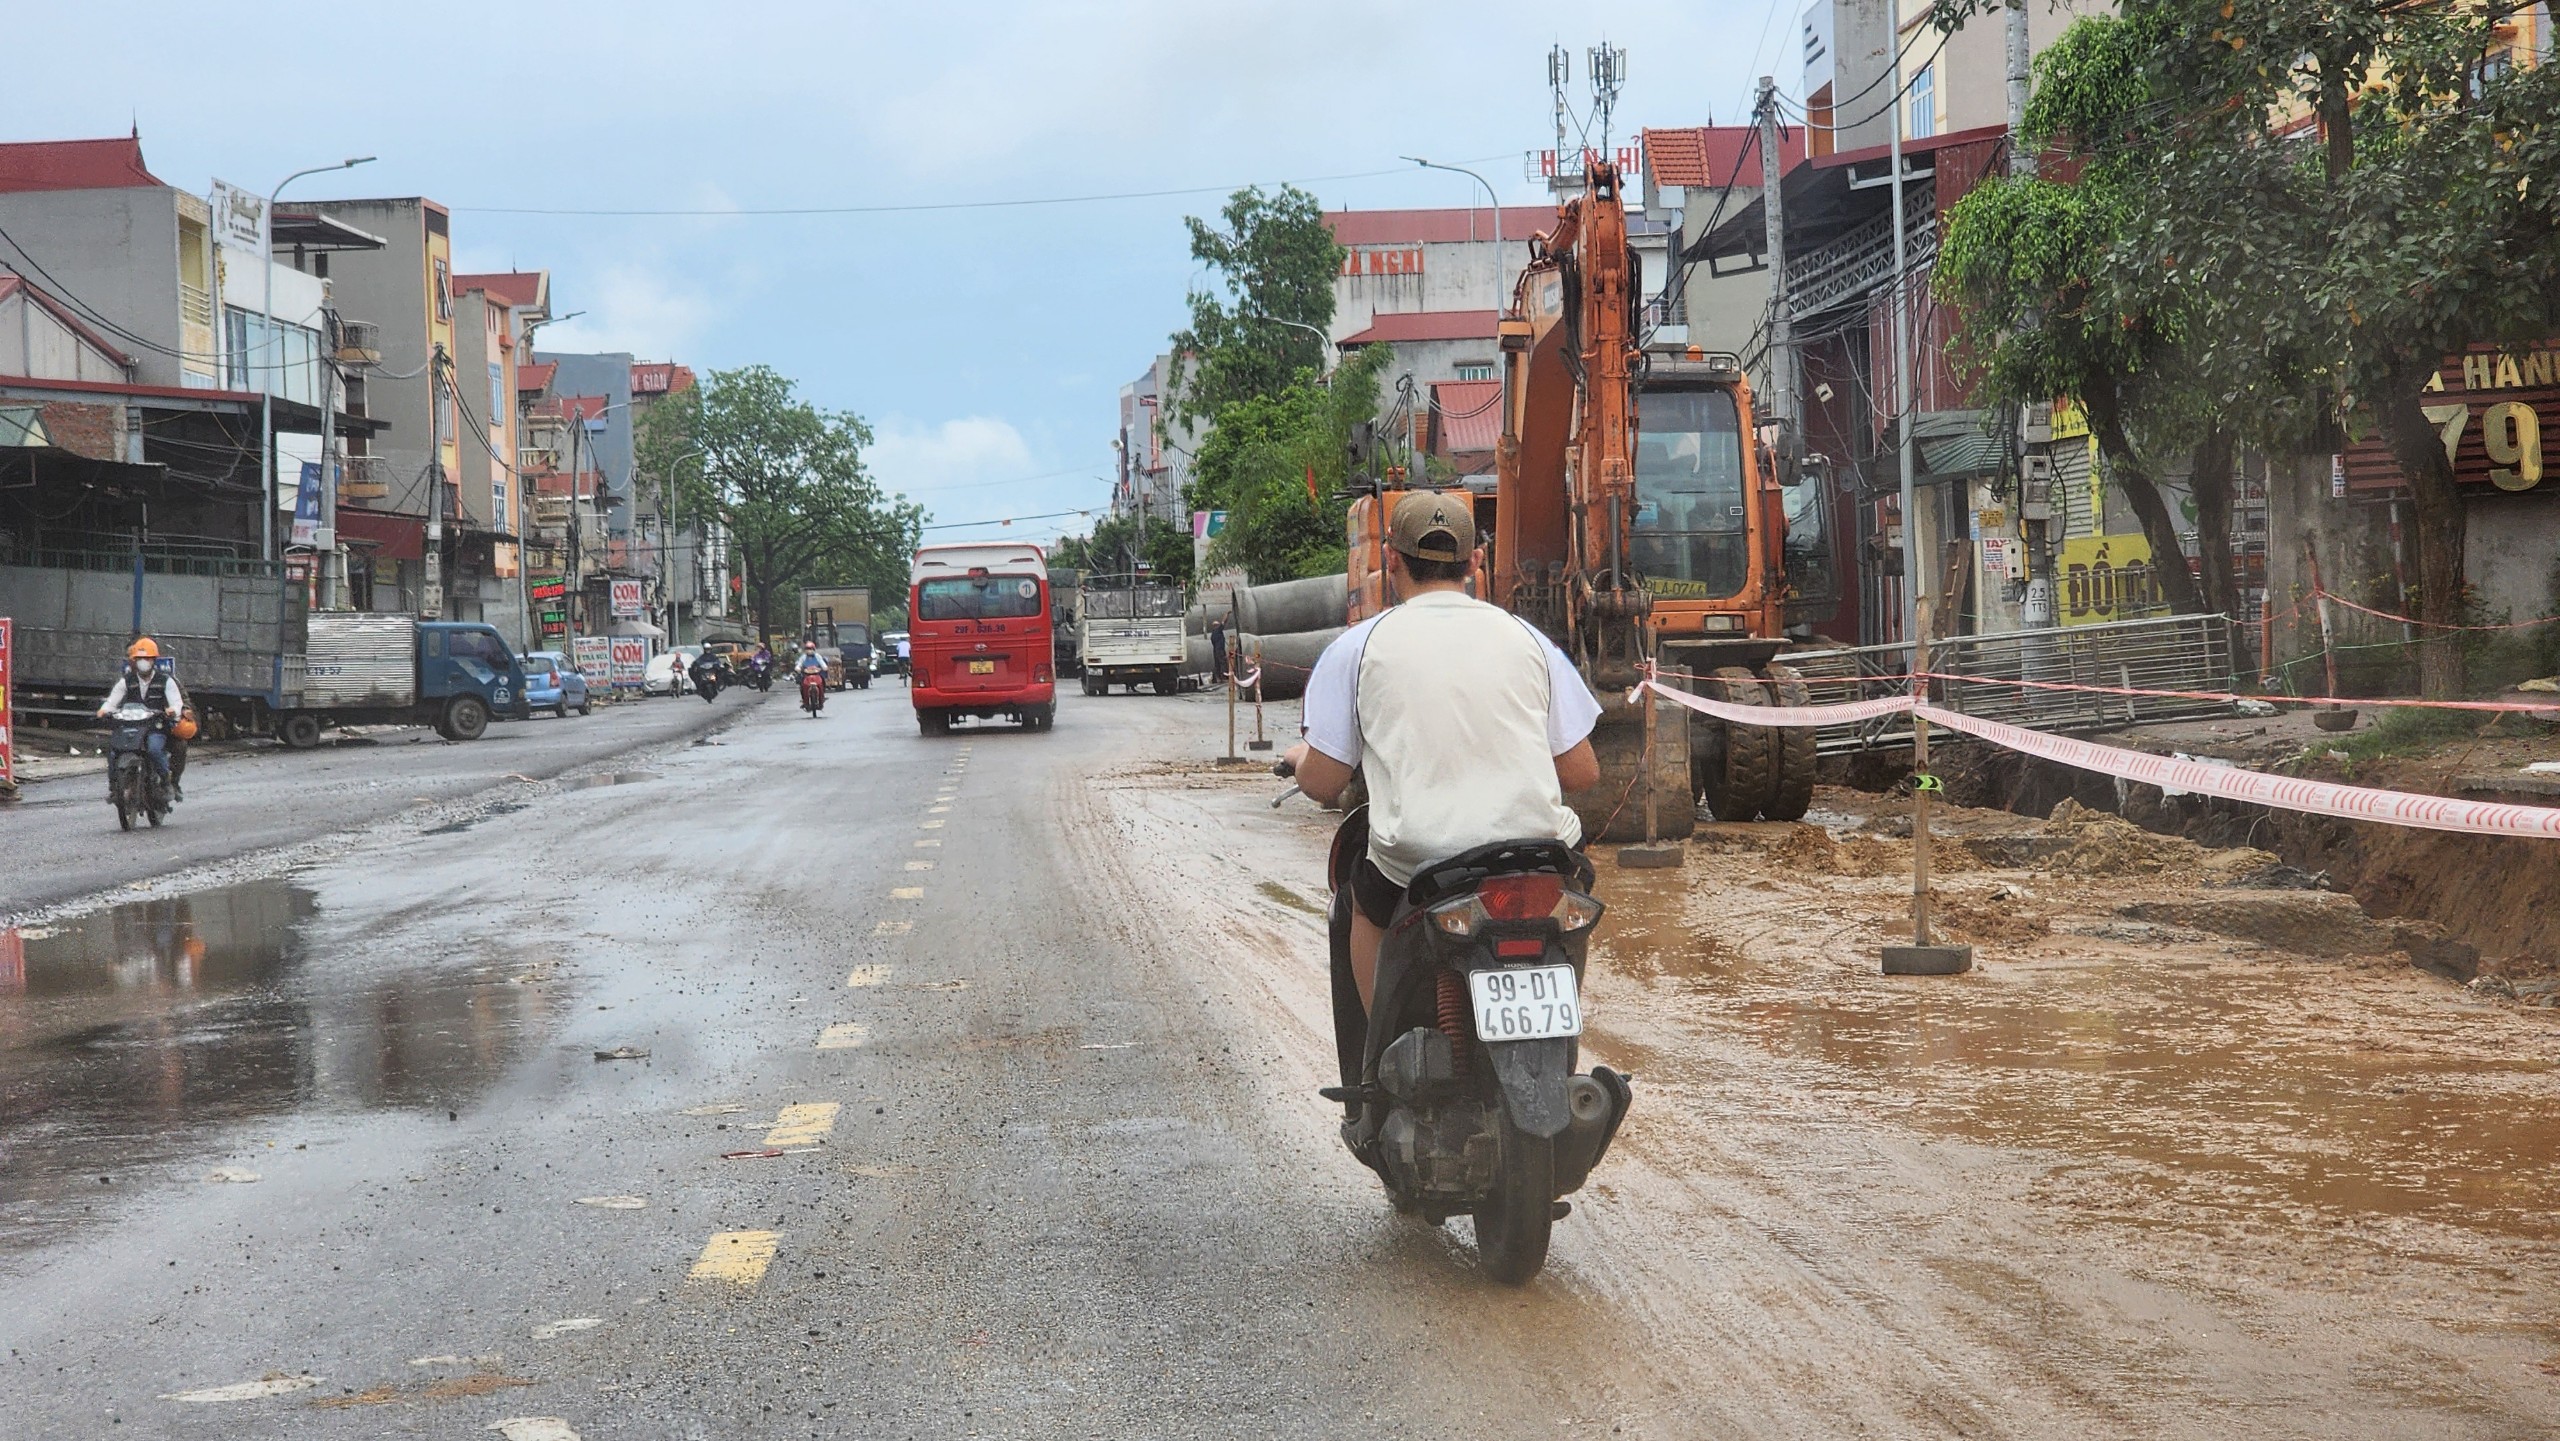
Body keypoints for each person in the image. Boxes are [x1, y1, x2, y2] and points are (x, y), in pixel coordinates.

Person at [1283, 492, 1602, 1012]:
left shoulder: (1356, 648)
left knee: (1362, 909)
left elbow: (1322, 782)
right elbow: (1583, 772)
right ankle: (1561, 1040)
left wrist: (1300, 759)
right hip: (1538, 856)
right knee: (1571, 907)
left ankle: (1377, 1074)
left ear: (1390, 560)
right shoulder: (1531, 640)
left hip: (1417, 861)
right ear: (1475, 562)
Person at [96, 636, 187, 801]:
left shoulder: (166, 681)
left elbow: (177, 703)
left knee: (154, 749)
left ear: (153, 661)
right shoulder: (127, 681)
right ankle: (114, 787)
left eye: (146, 659)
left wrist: (172, 711)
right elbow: (112, 701)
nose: (143, 662)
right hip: (130, 726)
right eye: (139, 659)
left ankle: (166, 782)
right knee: (114, 751)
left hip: (155, 727)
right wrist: (104, 711)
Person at [1208, 614, 1229, 683]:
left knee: (1217, 664)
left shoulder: (1213, 634)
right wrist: (1227, 614)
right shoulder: (1218, 630)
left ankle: (1218, 678)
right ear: (1216, 626)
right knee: (1223, 663)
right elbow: (1224, 622)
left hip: (1215, 651)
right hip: (1220, 650)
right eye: (1218, 625)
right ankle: (1223, 677)